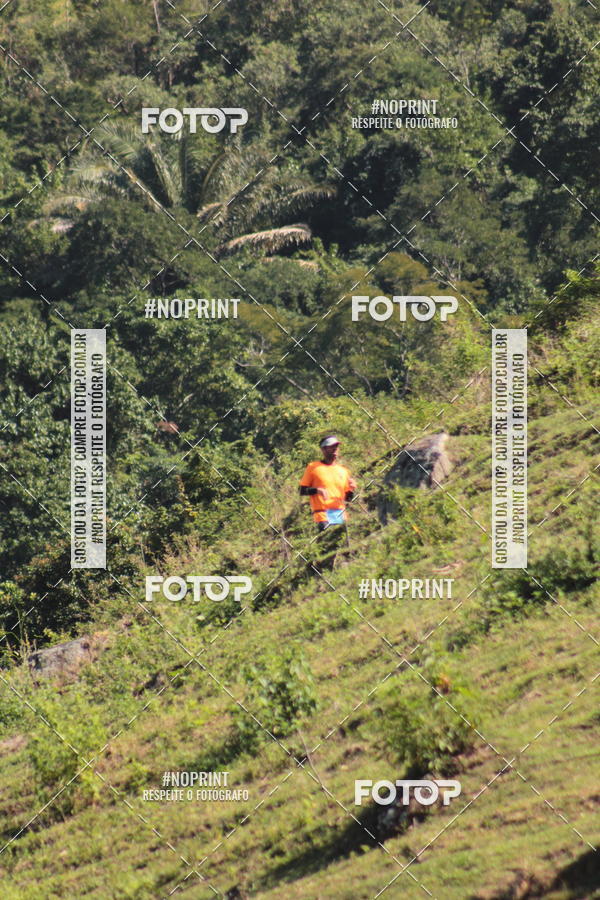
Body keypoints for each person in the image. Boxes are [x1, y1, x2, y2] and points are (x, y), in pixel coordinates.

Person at [299, 435, 356, 570]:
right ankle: (318, 573)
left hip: (340, 514)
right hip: (323, 513)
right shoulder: (314, 467)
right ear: (323, 449)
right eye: (332, 446)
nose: (335, 449)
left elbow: (348, 498)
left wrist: (352, 489)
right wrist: (317, 490)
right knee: (326, 548)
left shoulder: (343, 470)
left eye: (337, 446)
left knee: (344, 548)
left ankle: (339, 575)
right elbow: (302, 490)